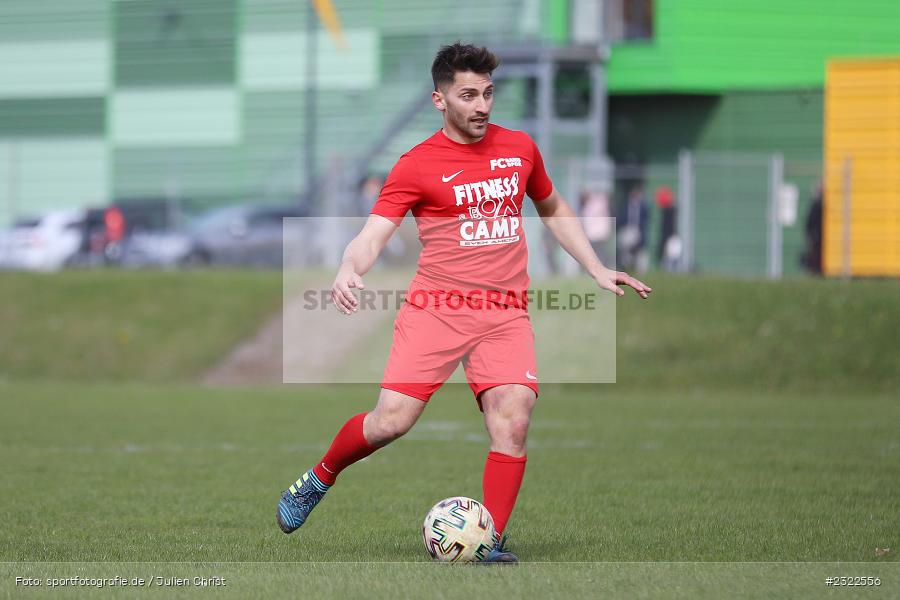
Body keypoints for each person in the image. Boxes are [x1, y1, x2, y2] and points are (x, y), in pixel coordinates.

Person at [275, 43, 652, 563]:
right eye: (468, 95)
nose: (482, 106)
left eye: (488, 94)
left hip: (504, 315)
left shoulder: (520, 148)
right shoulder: (415, 165)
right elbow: (372, 235)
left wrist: (594, 265)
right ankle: (319, 477)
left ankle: (487, 539)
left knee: (513, 418)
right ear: (440, 100)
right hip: (436, 310)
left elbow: (552, 206)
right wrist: (348, 267)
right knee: (391, 421)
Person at [801, 181, 823, 275]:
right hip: (816, 234)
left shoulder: (817, 204)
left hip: (817, 234)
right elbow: (810, 222)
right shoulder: (816, 205)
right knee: (814, 254)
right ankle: (815, 271)